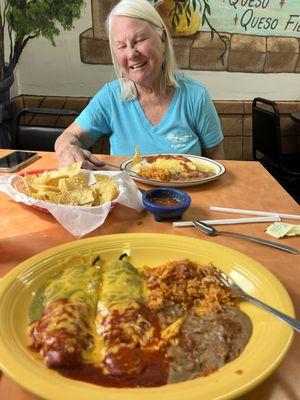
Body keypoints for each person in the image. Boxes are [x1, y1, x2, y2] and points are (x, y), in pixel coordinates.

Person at [55, 0, 225, 169]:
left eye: (139, 40)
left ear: (162, 39)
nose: (131, 54)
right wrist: (67, 150)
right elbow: (68, 136)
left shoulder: (196, 97)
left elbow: (217, 160)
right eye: (121, 46)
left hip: (187, 196)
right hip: (127, 195)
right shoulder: (110, 97)